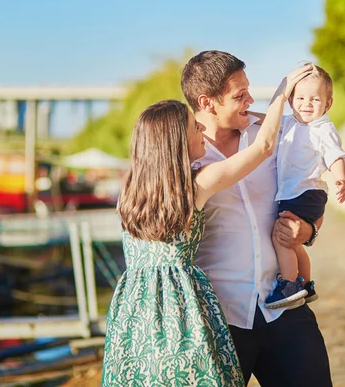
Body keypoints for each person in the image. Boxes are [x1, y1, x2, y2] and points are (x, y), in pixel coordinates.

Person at [101, 64, 310, 387]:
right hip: (185, 308)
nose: (200, 130)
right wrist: (281, 94)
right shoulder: (198, 184)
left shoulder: (130, 193)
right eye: (193, 127)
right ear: (175, 142)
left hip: (136, 310)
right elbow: (263, 147)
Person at [181, 50, 333, 386]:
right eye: (239, 95)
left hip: (284, 305)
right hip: (220, 318)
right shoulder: (183, 157)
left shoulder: (276, 132)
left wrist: (307, 229)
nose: (250, 99)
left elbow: (311, 191)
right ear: (207, 102)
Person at [265, 64, 345, 309]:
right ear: (290, 101)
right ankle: (307, 283)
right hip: (300, 194)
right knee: (295, 243)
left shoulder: (322, 127)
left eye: (315, 99)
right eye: (300, 98)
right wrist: (282, 91)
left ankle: (289, 285)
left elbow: (334, 154)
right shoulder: (289, 123)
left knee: (282, 239)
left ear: (328, 104)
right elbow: (265, 118)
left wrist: (340, 177)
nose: (307, 104)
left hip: (305, 193)